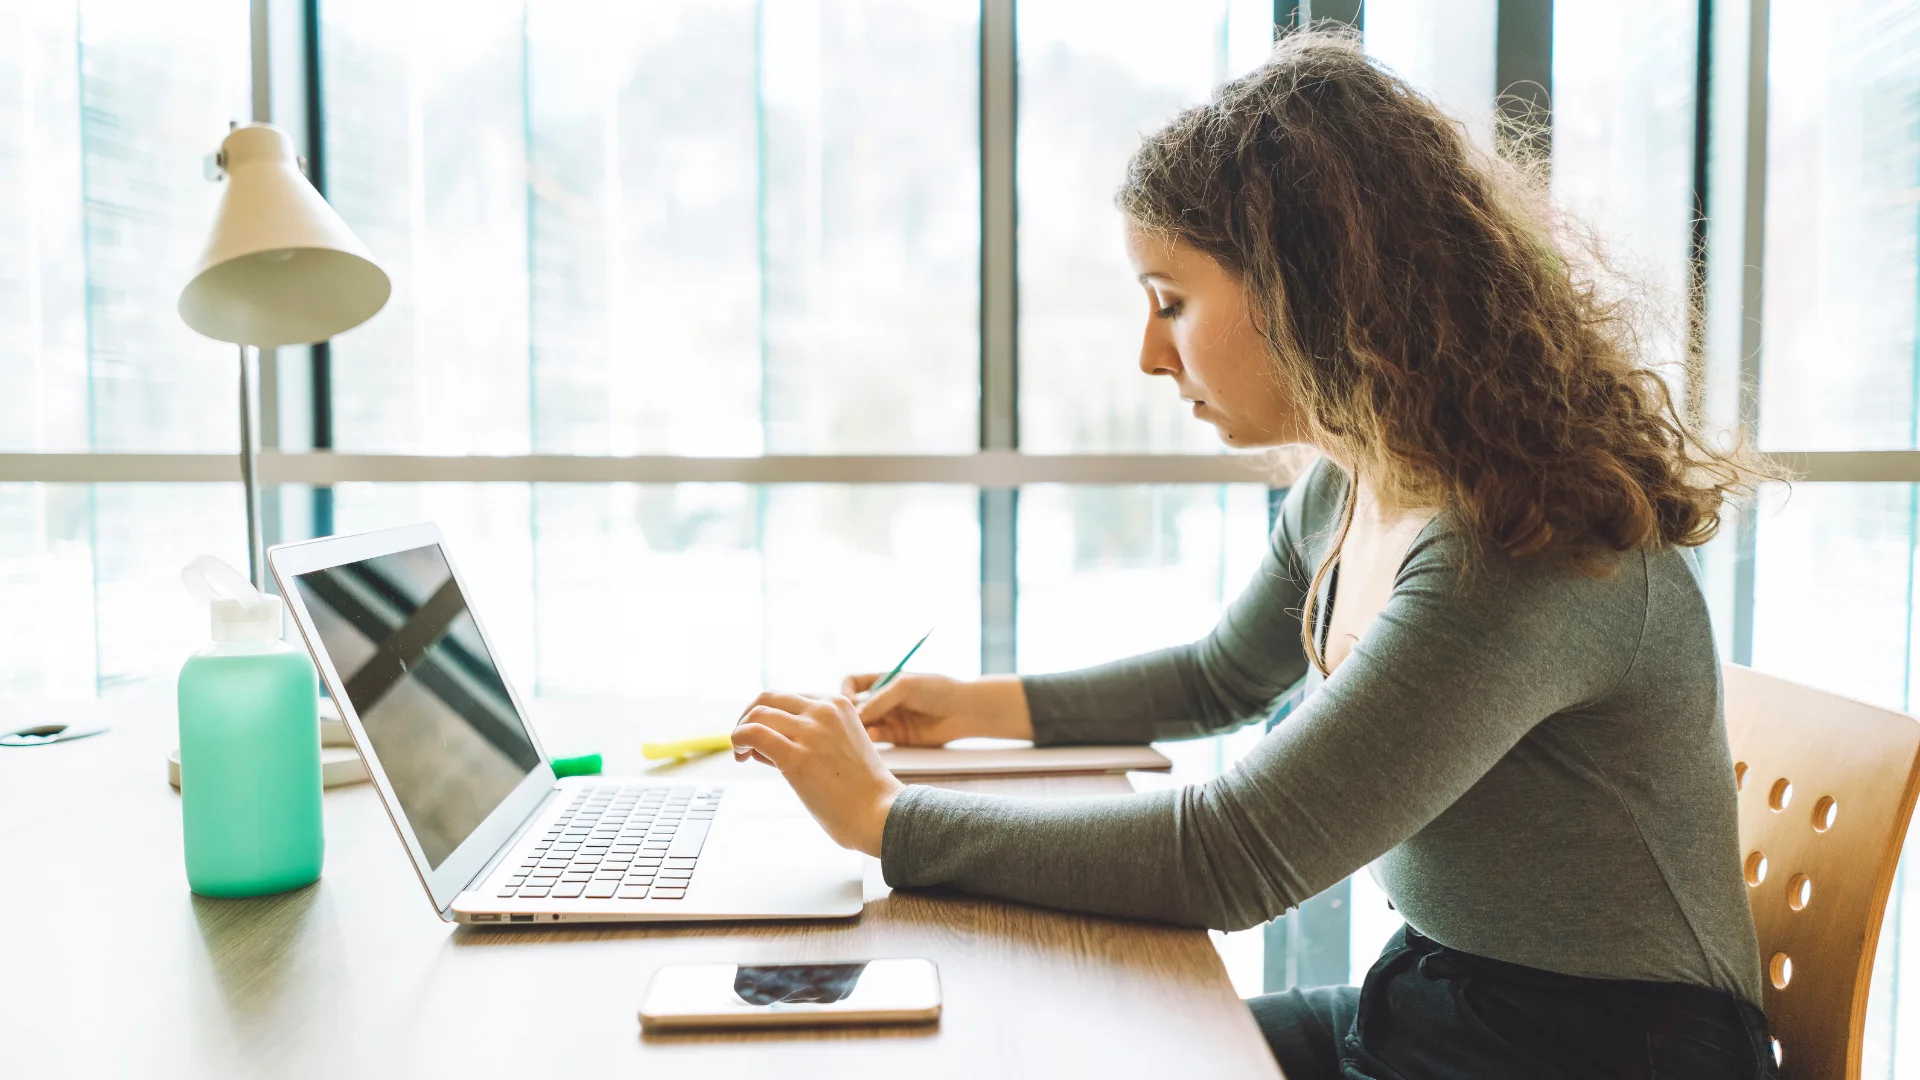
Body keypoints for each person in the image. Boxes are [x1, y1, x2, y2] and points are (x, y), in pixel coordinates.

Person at [728, 30, 1778, 1080]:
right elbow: (1219, 678)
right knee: (1071, 1046)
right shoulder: (1350, 482)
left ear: (1306, 288)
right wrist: (973, 707)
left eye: (1171, 302)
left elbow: (1233, 857)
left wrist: (886, 819)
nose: (1150, 354)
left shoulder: (1518, 545)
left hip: (1603, 1050)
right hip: (1438, 999)